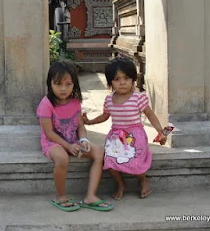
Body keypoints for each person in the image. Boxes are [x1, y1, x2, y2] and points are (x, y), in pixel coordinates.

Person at [83, 57, 169, 200]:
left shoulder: (138, 98)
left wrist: (160, 131)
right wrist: (89, 122)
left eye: (126, 78)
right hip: (116, 138)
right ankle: (120, 183)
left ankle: (143, 180)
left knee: (135, 161)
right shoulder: (109, 100)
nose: (122, 82)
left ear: (133, 80)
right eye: (117, 79)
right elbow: (105, 116)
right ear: (110, 82)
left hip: (136, 136)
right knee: (108, 160)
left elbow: (150, 115)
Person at [37, 60, 113, 212]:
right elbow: (49, 133)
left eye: (68, 84)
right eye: (58, 84)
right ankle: (60, 196)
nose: (63, 89)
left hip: (74, 141)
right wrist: (68, 146)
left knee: (99, 152)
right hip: (53, 143)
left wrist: (83, 140)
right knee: (62, 158)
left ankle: (90, 196)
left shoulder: (75, 102)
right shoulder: (46, 104)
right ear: (50, 83)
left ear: (74, 84)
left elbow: (80, 126)